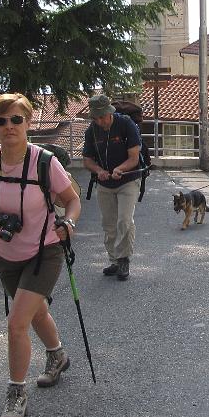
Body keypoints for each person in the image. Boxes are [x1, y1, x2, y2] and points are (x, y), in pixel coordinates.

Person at [0, 93, 82, 417]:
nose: (9, 126)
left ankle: (16, 394)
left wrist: (68, 223)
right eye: (1, 121)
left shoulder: (44, 162)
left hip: (45, 252)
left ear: (29, 123)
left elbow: (71, 201)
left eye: (16, 120)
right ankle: (57, 356)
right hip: (7, 255)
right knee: (36, 311)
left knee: (17, 322)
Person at [82, 94, 142, 281]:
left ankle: (124, 259)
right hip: (105, 183)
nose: (99, 121)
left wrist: (119, 169)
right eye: (96, 117)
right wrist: (99, 170)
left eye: (102, 116)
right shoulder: (92, 130)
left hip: (128, 180)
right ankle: (114, 260)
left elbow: (133, 158)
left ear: (110, 112)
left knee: (124, 220)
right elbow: (87, 160)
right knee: (108, 224)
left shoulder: (126, 125)